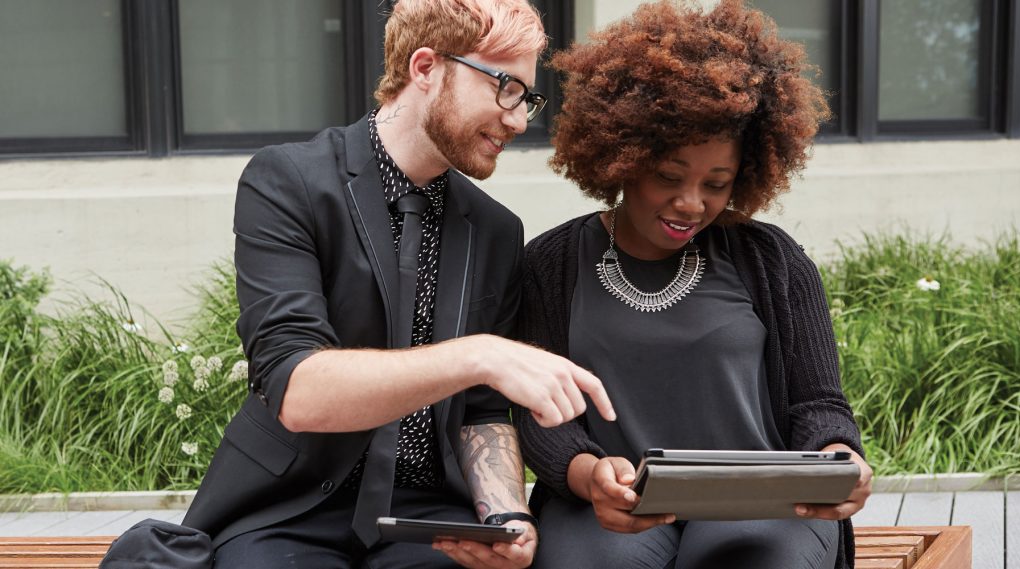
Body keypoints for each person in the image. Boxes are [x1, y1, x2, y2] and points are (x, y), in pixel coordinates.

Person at [181, 1, 615, 568]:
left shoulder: (496, 231)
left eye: (526, 99)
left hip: (429, 517)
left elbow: (483, 412)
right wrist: (477, 355)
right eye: (506, 87)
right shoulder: (288, 180)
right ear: (426, 67)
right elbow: (297, 388)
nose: (517, 119)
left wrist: (507, 517)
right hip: (284, 511)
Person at [512, 1, 872, 568]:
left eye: (716, 183)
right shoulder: (550, 265)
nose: (691, 204)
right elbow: (542, 420)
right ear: (621, 156)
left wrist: (839, 458)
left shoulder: (772, 261)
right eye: (669, 177)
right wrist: (588, 476)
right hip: (607, 507)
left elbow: (818, 402)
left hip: (763, 502)